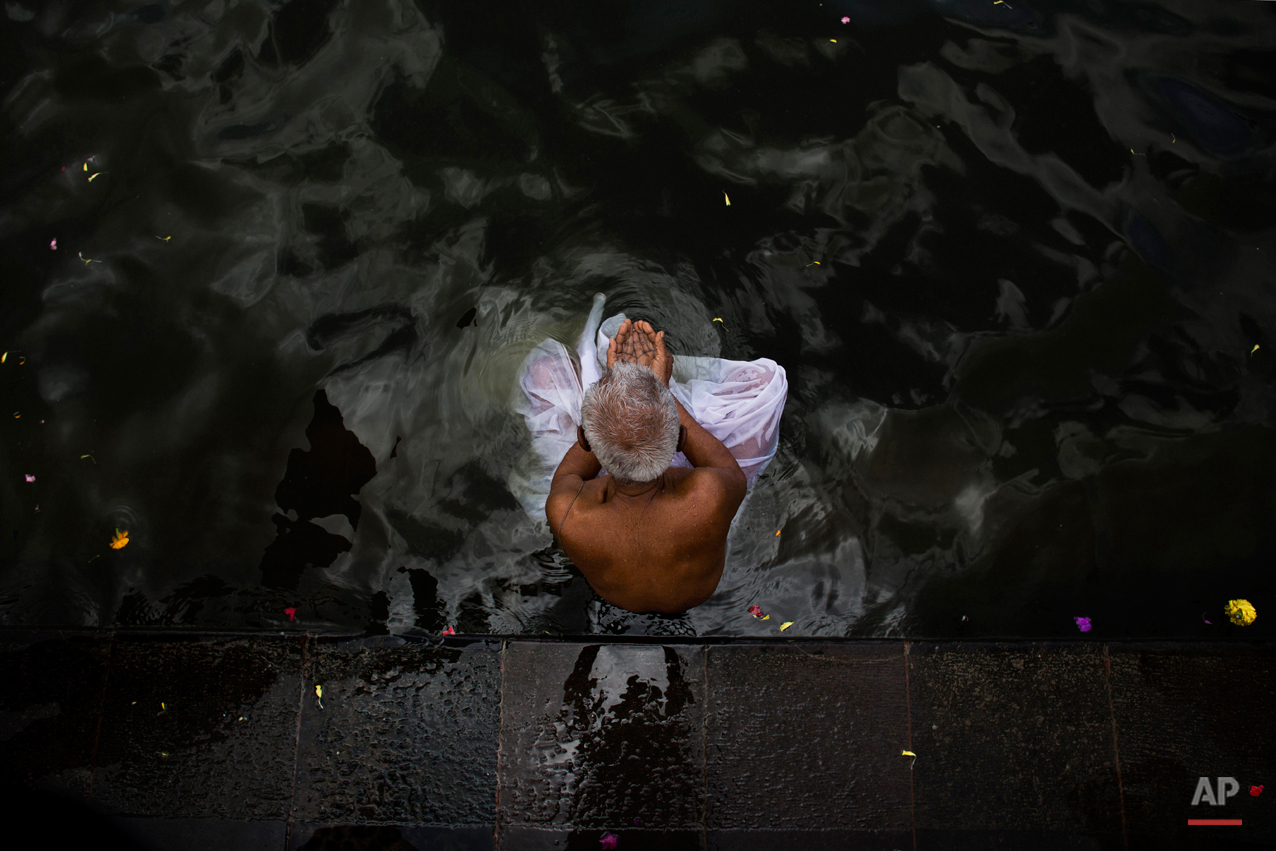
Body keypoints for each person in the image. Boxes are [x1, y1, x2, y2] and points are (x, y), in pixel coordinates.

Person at [513, 294, 788, 616]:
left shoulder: (567, 510)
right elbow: (718, 461)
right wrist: (661, 389)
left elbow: (575, 464)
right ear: (682, 441)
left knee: (544, 372)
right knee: (765, 381)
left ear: (584, 438)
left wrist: (615, 398)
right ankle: (640, 397)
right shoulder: (709, 494)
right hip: (697, 581)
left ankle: (624, 399)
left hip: (618, 596)